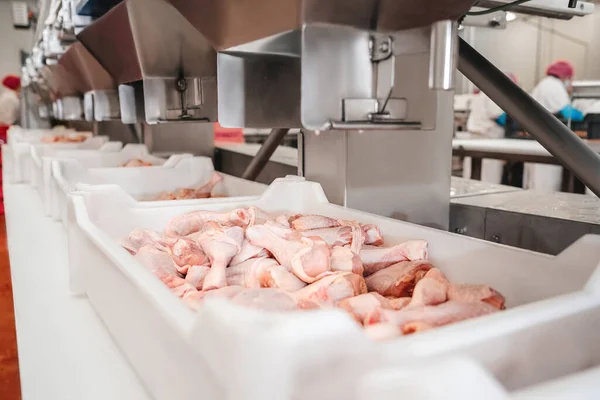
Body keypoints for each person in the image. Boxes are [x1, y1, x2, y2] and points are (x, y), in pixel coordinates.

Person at [526, 61, 584, 192]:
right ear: (565, 76)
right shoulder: (554, 85)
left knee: (533, 182)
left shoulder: (543, 84)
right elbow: (567, 112)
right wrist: (584, 115)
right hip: (549, 139)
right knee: (547, 183)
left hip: (537, 137)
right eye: (570, 78)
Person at [463, 73, 517, 184]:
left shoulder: (486, 91)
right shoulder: (495, 93)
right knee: (488, 177)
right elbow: (498, 116)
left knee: (472, 176)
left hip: (478, 139)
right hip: (487, 140)